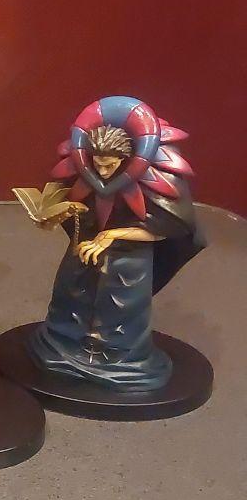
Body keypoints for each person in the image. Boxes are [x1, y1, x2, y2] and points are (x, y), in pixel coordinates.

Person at [25, 96, 204, 391]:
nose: (103, 172)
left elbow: (169, 227)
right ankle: (63, 343)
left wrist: (113, 235)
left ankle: (116, 359)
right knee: (71, 288)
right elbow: (76, 208)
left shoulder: (158, 177)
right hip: (86, 246)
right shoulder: (86, 171)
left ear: (129, 158)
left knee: (120, 305)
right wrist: (58, 215)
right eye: (98, 164)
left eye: (110, 165)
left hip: (130, 257)